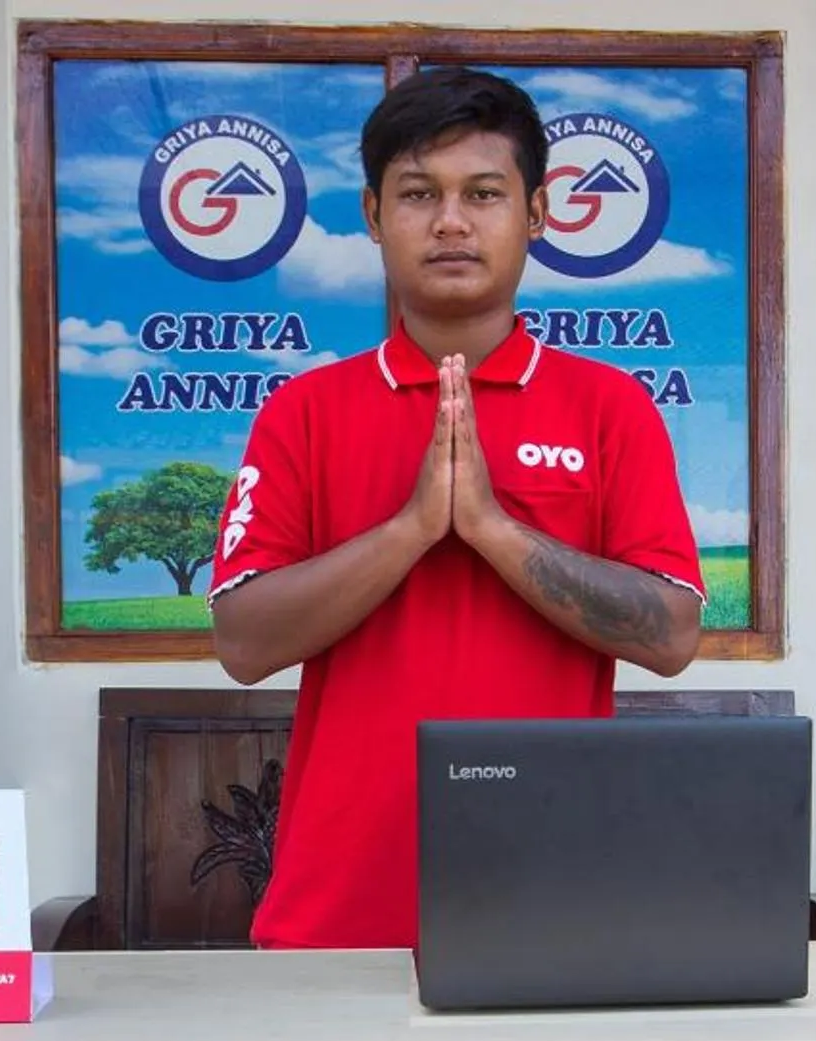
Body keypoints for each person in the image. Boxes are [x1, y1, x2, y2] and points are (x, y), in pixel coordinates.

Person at [208, 65, 705, 953]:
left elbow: (669, 637)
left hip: (551, 907)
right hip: (338, 912)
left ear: (538, 213)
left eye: (483, 192)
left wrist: (490, 529)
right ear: (371, 217)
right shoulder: (305, 412)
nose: (449, 221)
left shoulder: (608, 406)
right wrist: (408, 532)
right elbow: (244, 643)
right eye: (417, 194)